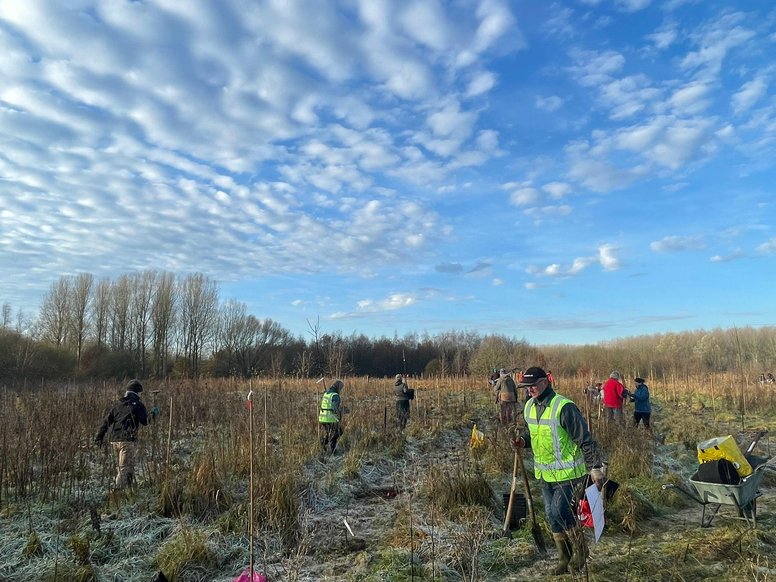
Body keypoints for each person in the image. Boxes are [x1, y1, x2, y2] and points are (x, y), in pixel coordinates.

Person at [511, 366, 606, 575]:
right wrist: (522, 441)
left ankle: (581, 549)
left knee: (559, 511)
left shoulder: (564, 407)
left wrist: (595, 468)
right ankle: (564, 558)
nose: (530, 390)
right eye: (527, 387)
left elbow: (585, 440)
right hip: (544, 473)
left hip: (569, 474)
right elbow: (533, 435)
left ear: (545, 382)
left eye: (533, 386)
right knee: (551, 515)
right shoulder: (529, 406)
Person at [94, 379, 149, 490]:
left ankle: (129, 489)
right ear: (138, 392)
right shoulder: (138, 405)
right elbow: (145, 421)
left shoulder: (118, 405)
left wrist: (99, 437)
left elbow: (106, 421)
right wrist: (153, 414)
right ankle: (117, 493)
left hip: (114, 440)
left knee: (126, 467)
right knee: (124, 468)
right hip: (128, 441)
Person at [318, 379, 345, 454]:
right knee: (338, 432)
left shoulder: (326, 394)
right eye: (341, 388)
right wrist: (343, 410)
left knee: (331, 433)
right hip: (330, 419)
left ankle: (332, 449)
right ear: (338, 387)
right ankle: (324, 443)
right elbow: (335, 408)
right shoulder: (335, 396)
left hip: (322, 418)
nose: (341, 390)